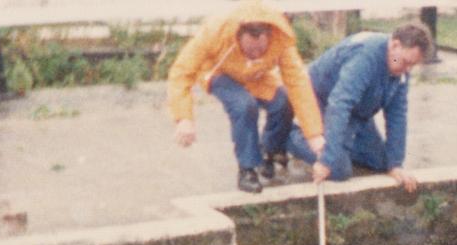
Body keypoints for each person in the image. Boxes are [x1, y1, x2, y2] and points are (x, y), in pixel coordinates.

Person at [167, 1, 325, 194]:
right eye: (250, 50)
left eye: (261, 50)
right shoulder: (215, 31)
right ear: (238, 35)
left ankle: (270, 150)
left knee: (284, 101)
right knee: (244, 105)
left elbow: (299, 84)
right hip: (219, 72)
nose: (255, 54)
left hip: (256, 76)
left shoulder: (281, 41)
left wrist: (314, 135)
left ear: (269, 35)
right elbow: (181, 72)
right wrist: (184, 118)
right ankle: (247, 168)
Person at [285, 24, 432, 193]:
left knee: (383, 163)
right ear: (395, 45)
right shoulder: (365, 57)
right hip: (322, 103)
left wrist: (396, 164)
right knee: (338, 169)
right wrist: (327, 158)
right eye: (405, 62)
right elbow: (339, 104)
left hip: (357, 114)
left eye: (411, 65)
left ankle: (342, 145)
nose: (407, 70)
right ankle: (291, 137)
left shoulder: (401, 70)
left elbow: (397, 115)